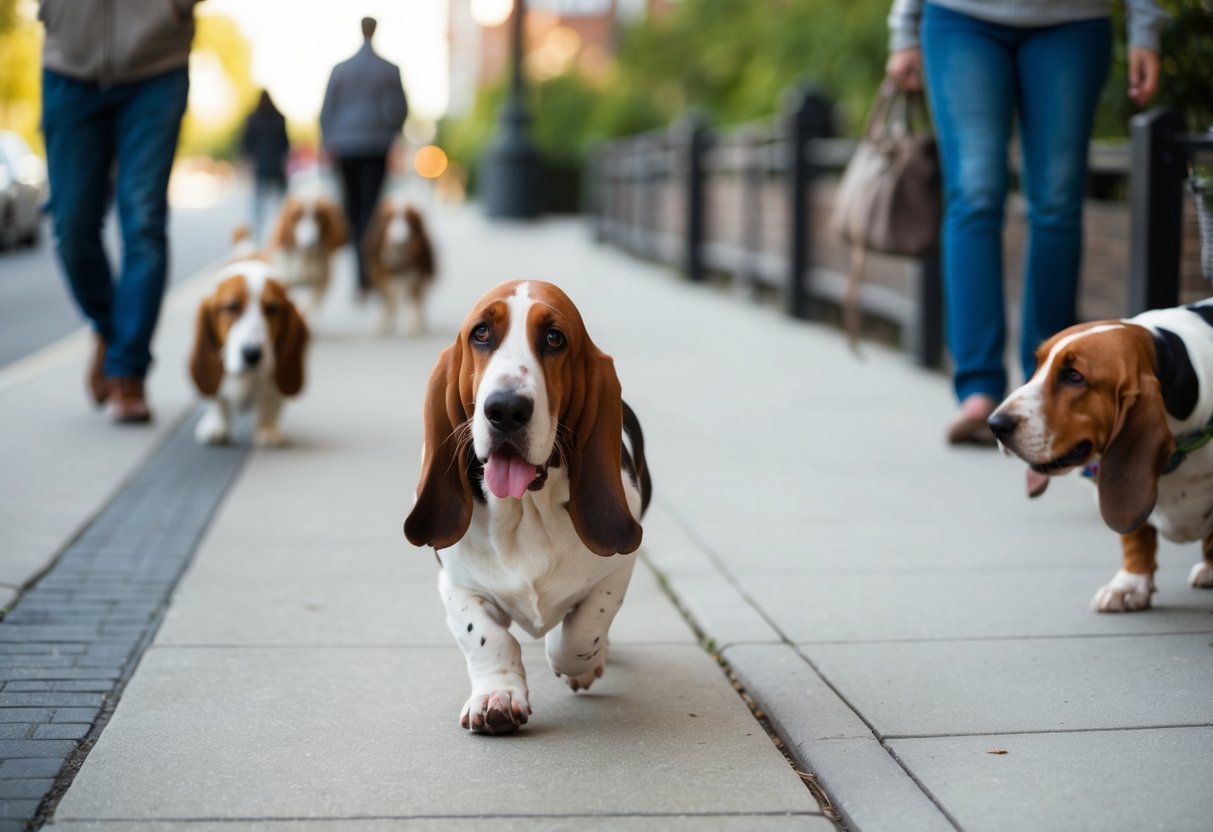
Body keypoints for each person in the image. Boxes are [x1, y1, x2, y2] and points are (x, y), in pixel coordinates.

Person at [885, 0, 1166, 454]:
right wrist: (905, 29)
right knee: (974, 193)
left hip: (1073, 20)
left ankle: (1045, 392)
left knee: (1057, 202)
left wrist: (1145, 27)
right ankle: (977, 389)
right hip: (960, 17)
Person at [39, 0, 204, 423]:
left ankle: (128, 370)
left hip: (156, 62)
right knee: (71, 223)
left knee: (144, 219)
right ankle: (111, 330)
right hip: (68, 63)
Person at [320, 16, 408, 296]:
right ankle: (369, 274)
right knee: (371, 211)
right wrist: (390, 131)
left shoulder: (341, 70)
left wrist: (328, 141)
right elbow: (401, 110)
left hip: (344, 148)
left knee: (353, 212)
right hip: (375, 146)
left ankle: (361, 277)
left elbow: (326, 111)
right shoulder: (389, 70)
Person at [241, 90, 291, 245]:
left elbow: (247, 144)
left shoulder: (253, 119)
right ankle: (282, 239)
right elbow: (286, 144)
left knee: (258, 209)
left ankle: (257, 242)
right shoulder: (279, 118)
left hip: (261, 168)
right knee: (282, 209)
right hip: (277, 168)